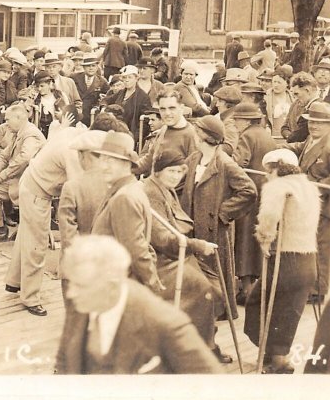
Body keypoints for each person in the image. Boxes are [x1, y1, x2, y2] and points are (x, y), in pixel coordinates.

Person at [55, 235, 222, 374]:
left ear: (111, 285)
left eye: (80, 286)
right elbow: (64, 362)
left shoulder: (164, 323)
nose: (70, 293)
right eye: (71, 283)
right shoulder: (80, 302)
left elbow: (211, 382)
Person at [142, 150, 232, 362]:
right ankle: (203, 347)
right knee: (206, 290)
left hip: (178, 252)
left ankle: (201, 341)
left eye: (179, 172)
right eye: (171, 171)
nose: (175, 176)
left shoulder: (165, 188)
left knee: (218, 290)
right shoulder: (150, 192)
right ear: (157, 170)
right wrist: (195, 245)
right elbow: (161, 238)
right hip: (162, 259)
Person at [243, 149, 320, 374]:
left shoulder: (277, 187)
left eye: (267, 172)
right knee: (289, 310)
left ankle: (276, 359)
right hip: (307, 259)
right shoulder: (310, 187)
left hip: (286, 258)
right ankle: (275, 356)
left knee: (263, 304)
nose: (266, 177)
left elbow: (268, 220)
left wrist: (264, 242)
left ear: (273, 168)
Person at [5, 116, 86, 316]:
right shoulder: (73, 152)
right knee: (37, 245)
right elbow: (77, 190)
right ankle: (30, 298)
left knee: (26, 235)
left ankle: (13, 282)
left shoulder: (70, 133)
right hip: (37, 193)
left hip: (30, 184)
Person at [180, 115, 257, 319]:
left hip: (214, 226)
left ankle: (220, 310)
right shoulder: (195, 158)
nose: (195, 137)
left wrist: (224, 213)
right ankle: (202, 308)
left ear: (205, 137)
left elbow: (249, 191)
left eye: (197, 133)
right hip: (192, 222)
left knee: (216, 269)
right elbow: (179, 180)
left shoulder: (225, 163)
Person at [88, 130, 164, 292]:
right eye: (102, 159)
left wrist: (153, 285)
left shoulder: (124, 197)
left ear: (127, 163)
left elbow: (137, 249)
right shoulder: (130, 189)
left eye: (112, 160)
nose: (104, 166)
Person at [284, 101, 330, 304]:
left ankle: (318, 291)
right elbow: (302, 148)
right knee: (311, 245)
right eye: (311, 122)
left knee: (321, 248)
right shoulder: (312, 138)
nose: (314, 126)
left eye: (319, 123)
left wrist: (316, 188)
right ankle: (310, 286)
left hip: (326, 207)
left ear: (329, 124)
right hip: (311, 205)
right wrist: (285, 148)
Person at [231, 102, 278, 303]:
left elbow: (238, 162)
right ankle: (258, 287)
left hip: (249, 193)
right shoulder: (266, 135)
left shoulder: (247, 136)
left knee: (244, 240)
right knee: (258, 239)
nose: (234, 123)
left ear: (247, 120)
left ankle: (248, 290)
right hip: (265, 191)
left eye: (237, 119)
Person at [0, 104, 46, 242]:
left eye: (8, 119)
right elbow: (4, 156)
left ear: (18, 118)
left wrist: (3, 175)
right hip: (19, 180)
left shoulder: (31, 134)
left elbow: (23, 159)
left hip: (31, 184)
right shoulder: (18, 133)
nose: (6, 123)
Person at [133, 90, 199, 178]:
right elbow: (149, 160)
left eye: (172, 108)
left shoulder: (190, 134)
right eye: (163, 109)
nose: (167, 113)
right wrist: (126, 169)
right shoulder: (163, 130)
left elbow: (192, 174)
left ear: (181, 108)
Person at [102, 65, 152, 144]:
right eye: (124, 78)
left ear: (136, 78)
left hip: (130, 133)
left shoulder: (143, 97)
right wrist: (103, 108)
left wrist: (135, 138)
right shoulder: (121, 93)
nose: (127, 80)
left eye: (130, 77)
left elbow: (144, 122)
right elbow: (105, 100)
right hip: (115, 131)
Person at [281, 71, 321, 143]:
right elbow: (284, 127)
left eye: (296, 93)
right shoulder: (297, 104)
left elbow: (298, 136)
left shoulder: (318, 108)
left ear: (307, 90)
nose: (294, 97)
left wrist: (290, 138)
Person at [264, 69, 293, 141]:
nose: (276, 85)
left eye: (279, 82)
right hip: (272, 137)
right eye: (274, 82)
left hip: (289, 137)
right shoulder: (265, 97)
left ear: (287, 83)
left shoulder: (293, 98)